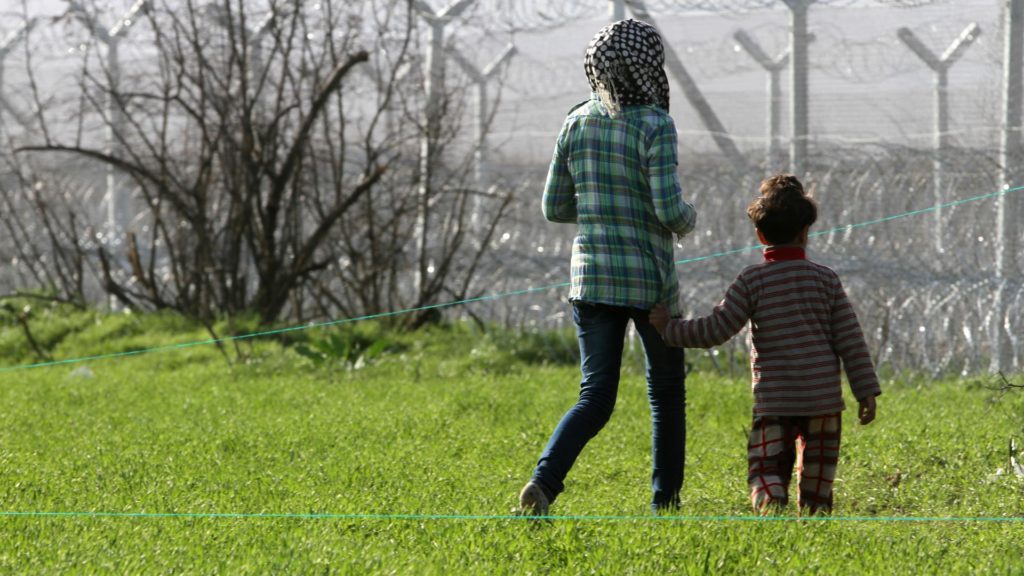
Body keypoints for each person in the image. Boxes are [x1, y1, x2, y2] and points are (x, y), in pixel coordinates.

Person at [518, 18, 697, 516]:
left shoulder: (576, 120)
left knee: (594, 396)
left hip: (591, 278)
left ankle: (544, 483)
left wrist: (601, 208)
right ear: (649, 67)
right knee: (664, 393)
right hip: (649, 282)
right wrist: (689, 220)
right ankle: (665, 504)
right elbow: (668, 208)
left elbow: (555, 207)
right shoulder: (656, 125)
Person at [649, 174, 881, 515]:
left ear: (760, 234)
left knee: (765, 469)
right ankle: (814, 527)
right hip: (823, 401)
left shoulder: (752, 281)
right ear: (805, 232)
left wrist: (669, 328)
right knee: (819, 480)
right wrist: (866, 391)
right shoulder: (826, 279)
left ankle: (771, 505)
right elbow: (851, 340)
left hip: (775, 400)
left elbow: (716, 328)